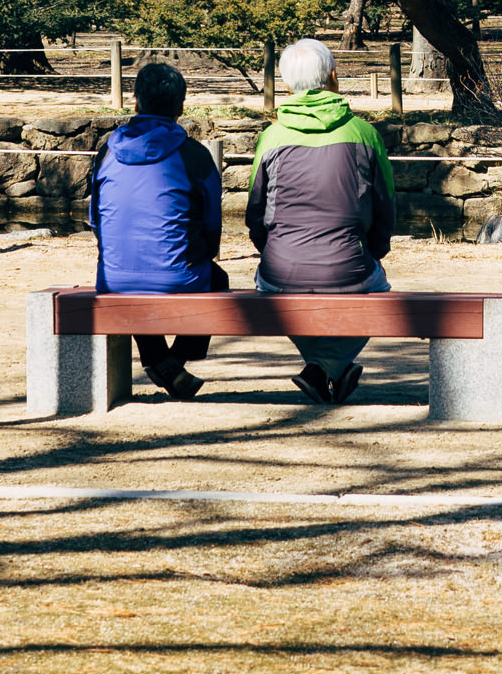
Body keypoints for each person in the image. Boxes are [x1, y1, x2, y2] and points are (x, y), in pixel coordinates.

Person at [246, 38, 396, 402]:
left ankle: (320, 368)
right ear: (333, 76)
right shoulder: (364, 134)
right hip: (349, 267)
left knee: (278, 284)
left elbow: (254, 215)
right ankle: (328, 367)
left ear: (285, 84)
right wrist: (373, 251)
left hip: (280, 270)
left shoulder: (271, 137)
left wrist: (275, 250)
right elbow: (386, 209)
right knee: (377, 290)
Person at [89, 59, 226, 398]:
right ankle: (172, 361)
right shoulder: (193, 155)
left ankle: (158, 358)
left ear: (135, 102)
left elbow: (95, 219)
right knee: (217, 279)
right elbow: (211, 224)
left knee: (131, 277)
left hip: (114, 276)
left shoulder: (107, 151)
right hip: (178, 274)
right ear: (181, 107)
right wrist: (202, 252)